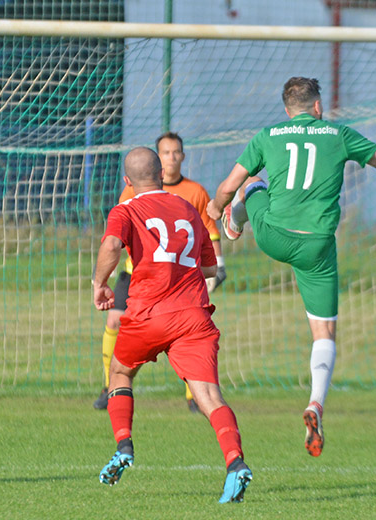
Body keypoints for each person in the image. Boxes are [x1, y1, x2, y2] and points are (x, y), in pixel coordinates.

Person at [206, 77, 376, 458]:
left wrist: (216, 208)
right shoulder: (339, 133)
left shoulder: (268, 135)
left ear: (286, 110)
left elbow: (230, 184)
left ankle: (235, 223)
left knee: (253, 185)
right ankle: (316, 403)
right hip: (316, 245)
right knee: (324, 330)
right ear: (317, 107)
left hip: (273, 234)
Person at [93, 147, 252, 503]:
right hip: (193, 315)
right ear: (161, 175)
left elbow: (112, 244)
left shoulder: (125, 209)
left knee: (119, 372)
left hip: (148, 313)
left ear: (127, 182)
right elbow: (210, 269)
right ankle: (236, 463)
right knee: (209, 395)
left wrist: (99, 283)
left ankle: (123, 446)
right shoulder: (189, 210)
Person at [93, 132, 226, 413]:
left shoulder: (195, 193)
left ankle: (192, 395)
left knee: (182, 336)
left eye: (176, 152)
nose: (172, 157)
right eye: (166, 152)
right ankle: (110, 387)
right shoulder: (131, 193)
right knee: (116, 322)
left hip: (178, 278)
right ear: (158, 162)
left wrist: (219, 265)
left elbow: (210, 234)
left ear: (181, 157)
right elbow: (117, 236)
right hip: (136, 274)